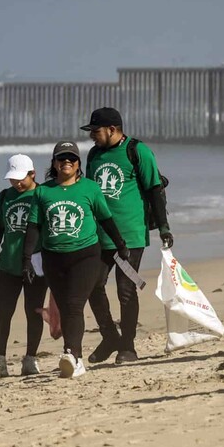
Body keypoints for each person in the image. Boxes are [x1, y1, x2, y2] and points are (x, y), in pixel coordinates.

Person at [22, 141, 129, 378]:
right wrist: (27, 258)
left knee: (74, 305)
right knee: (65, 305)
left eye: (71, 158)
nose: (66, 162)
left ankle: (74, 356)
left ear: (79, 163)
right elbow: (33, 227)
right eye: (61, 158)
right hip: (54, 259)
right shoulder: (42, 191)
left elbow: (105, 218)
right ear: (54, 163)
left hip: (86, 255)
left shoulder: (90, 189)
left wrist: (120, 245)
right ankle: (71, 355)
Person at [81, 107, 173, 364]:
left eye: (96, 131)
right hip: (99, 236)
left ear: (112, 129)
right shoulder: (94, 155)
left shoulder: (137, 150)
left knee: (126, 290)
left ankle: (128, 347)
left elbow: (155, 189)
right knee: (92, 286)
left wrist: (164, 227)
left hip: (130, 235)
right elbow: (89, 194)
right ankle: (110, 336)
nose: (92, 137)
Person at [0, 154, 48, 378]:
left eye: (21, 179)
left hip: (36, 266)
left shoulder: (42, 194)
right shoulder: (5, 197)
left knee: (34, 312)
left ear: (33, 174)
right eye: (12, 179)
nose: (17, 183)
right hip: (8, 264)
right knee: (3, 313)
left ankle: (30, 358)